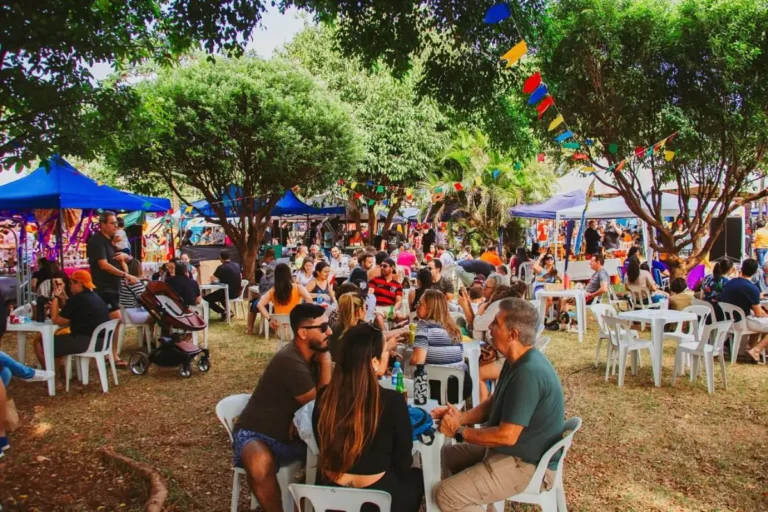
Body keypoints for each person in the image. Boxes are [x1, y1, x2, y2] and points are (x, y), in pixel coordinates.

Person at [433, 298, 564, 512]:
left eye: (496, 323)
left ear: (512, 335)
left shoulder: (528, 373)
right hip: (513, 451)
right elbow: (494, 402)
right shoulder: (516, 361)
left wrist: (459, 431)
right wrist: (460, 417)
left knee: (445, 495)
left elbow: (506, 436)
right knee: (449, 455)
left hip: (527, 464)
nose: (490, 328)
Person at [313, 323, 424, 512]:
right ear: (373, 362)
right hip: (377, 501)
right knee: (417, 478)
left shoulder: (324, 396)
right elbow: (402, 461)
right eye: (385, 351)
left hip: (329, 498)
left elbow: (321, 441)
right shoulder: (393, 402)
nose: (388, 354)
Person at [233, 304, 333, 511]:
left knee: (338, 452)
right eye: (323, 328)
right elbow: (319, 403)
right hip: (258, 432)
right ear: (303, 333)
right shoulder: (290, 359)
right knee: (259, 461)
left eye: (328, 326)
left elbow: (321, 407)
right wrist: (326, 360)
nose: (329, 331)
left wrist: (298, 418)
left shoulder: (314, 352)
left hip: (297, 436)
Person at [33, 270, 111, 388]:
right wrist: (63, 297)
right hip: (102, 341)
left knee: (41, 342)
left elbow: (56, 320)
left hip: (87, 342)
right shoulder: (94, 296)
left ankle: (54, 379)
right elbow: (73, 312)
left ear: (79, 284)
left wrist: (55, 297)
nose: (69, 285)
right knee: (57, 339)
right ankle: (61, 373)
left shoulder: (78, 299)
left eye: (71, 283)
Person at [87, 210, 137, 367]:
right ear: (102, 225)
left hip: (113, 288)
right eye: (112, 223)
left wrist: (125, 257)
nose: (116, 225)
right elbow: (103, 264)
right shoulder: (97, 241)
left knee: (112, 322)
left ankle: (109, 353)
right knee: (115, 321)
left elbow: (123, 258)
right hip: (104, 288)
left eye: (116, 222)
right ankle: (112, 355)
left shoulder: (110, 241)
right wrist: (125, 275)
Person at [411, 289, 472, 403]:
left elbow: (418, 361)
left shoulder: (423, 326)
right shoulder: (453, 328)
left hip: (442, 389)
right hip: (463, 386)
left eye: (420, 304)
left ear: (430, 308)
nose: (416, 306)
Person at [718, 259, 768, 362]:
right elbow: (759, 313)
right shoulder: (752, 288)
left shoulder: (730, 283)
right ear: (755, 272)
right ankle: (756, 350)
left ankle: (749, 349)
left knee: (759, 323)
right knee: (761, 320)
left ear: (741, 269)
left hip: (728, 320)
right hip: (742, 322)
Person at [254, 263, 314, 332]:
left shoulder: (273, 291)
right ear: (289, 274)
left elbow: (259, 304)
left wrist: (270, 319)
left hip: (280, 328)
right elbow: (309, 299)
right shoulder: (297, 288)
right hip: (296, 327)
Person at [559, 254, 608, 325]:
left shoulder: (602, 273)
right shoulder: (597, 273)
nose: (590, 263)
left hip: (588, 299)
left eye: (592, 261)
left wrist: (592, 295)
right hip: (584, 296)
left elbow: (604, 289)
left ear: (598, 262)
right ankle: (566, 320)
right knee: (563, 298)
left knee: (564, 300)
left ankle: (563, 323)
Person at [205, 250, 242, 321]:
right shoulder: (236, 265)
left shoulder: (221, 267)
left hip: (227, 293)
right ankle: (229, 312)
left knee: (206, 299)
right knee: (220, 295)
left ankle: (223, 312)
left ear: (220, 258)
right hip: (237, 292)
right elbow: (240, 276)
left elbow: (212, 279)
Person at [118, 259, 151, 324]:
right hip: (133, 314)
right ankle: (150, 334)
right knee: (157, 317)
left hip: (122, 314)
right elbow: (147, 300)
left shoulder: (120, 281)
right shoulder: (135, 283)